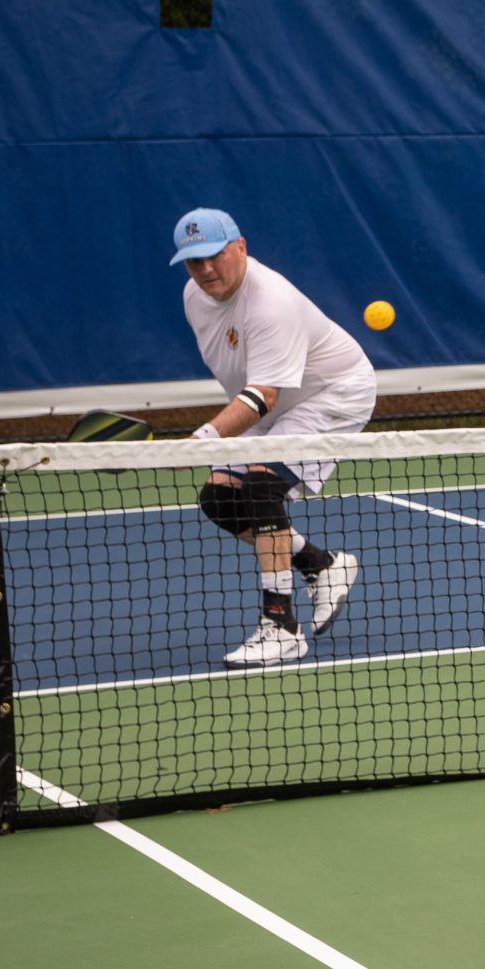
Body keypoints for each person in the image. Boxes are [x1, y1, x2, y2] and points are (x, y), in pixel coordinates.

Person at [171, 209, 376, 666]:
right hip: (272, 398)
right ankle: (321, 564)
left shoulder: (270, 302)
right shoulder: (194, 295)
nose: (205, 270)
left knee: (263, 485)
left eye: (214, 256)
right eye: (192, 261)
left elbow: (262, 393)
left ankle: (280, 626)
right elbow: (249, 383)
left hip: (332, 392)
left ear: (240, 247)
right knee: (220, 500)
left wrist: (204, 438)